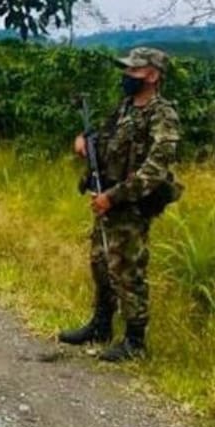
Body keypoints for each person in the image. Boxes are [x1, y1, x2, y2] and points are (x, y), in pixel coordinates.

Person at [59, 47, 182, 362]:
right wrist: (85, 142)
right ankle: (101, 325)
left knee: (128, 270)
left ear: (152, 75)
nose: (127, 76)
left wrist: (114, 197)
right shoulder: (126, 107)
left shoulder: (162, 114)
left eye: (134, 71)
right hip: (107, 197)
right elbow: (106, 138)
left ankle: (135, 341)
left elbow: (156, 168)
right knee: (101, 264)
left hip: (132, 202)